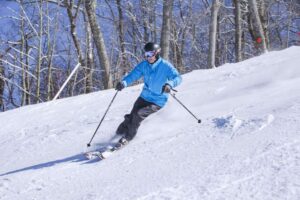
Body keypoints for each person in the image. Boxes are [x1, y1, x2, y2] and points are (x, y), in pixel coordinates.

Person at [114, 42, 182, 148]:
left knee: (138, 115)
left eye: (150, 54)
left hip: (157, 100)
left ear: (157, 53)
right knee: (131, 116)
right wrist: (124, 83)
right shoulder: (144, 65)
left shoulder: (165, 66)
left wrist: (170, 84)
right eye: (146, 54)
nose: (148, 57)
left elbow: (177, 77)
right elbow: (133, 75)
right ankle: (118, 134)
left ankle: (127, 138)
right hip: (144, 96)